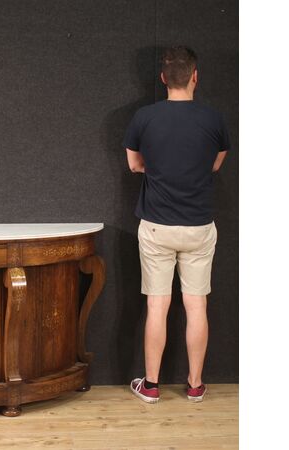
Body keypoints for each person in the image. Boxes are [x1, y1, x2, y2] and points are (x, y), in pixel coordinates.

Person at [122, 46, 230, 403]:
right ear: (195, 77)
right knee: (197, 306)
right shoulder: (214, 120)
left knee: (157, 306)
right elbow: (215, 165)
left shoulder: (144, 117)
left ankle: (151, 386)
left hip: (156, 226)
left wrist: (161, 168)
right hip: (199, 226)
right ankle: (195, 385)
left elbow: (135, 165)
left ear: (164, 78)